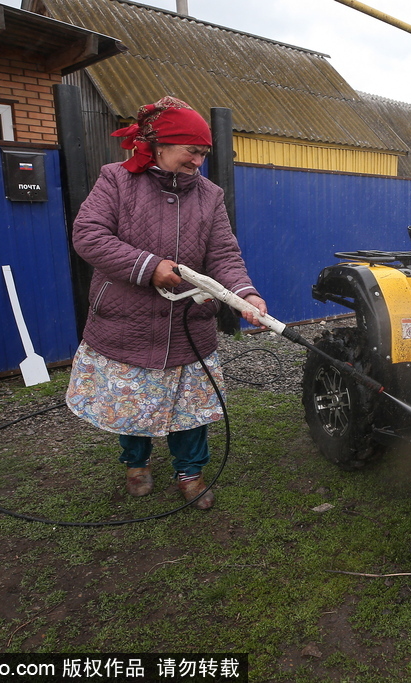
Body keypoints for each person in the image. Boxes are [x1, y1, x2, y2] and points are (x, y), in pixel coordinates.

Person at [65, 96, 266, 510]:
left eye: (205, 153)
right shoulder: (116, 180)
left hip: (188, 326)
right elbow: (88, 234)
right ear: (160, 145)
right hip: (125, 322)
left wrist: (245, 294)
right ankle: (135, 465)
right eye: (192, 151)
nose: (198, 161)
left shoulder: (209, 196)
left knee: (190, 410)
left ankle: (190, 475)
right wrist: (148, 266)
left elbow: (224, 255)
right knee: (132, 404)